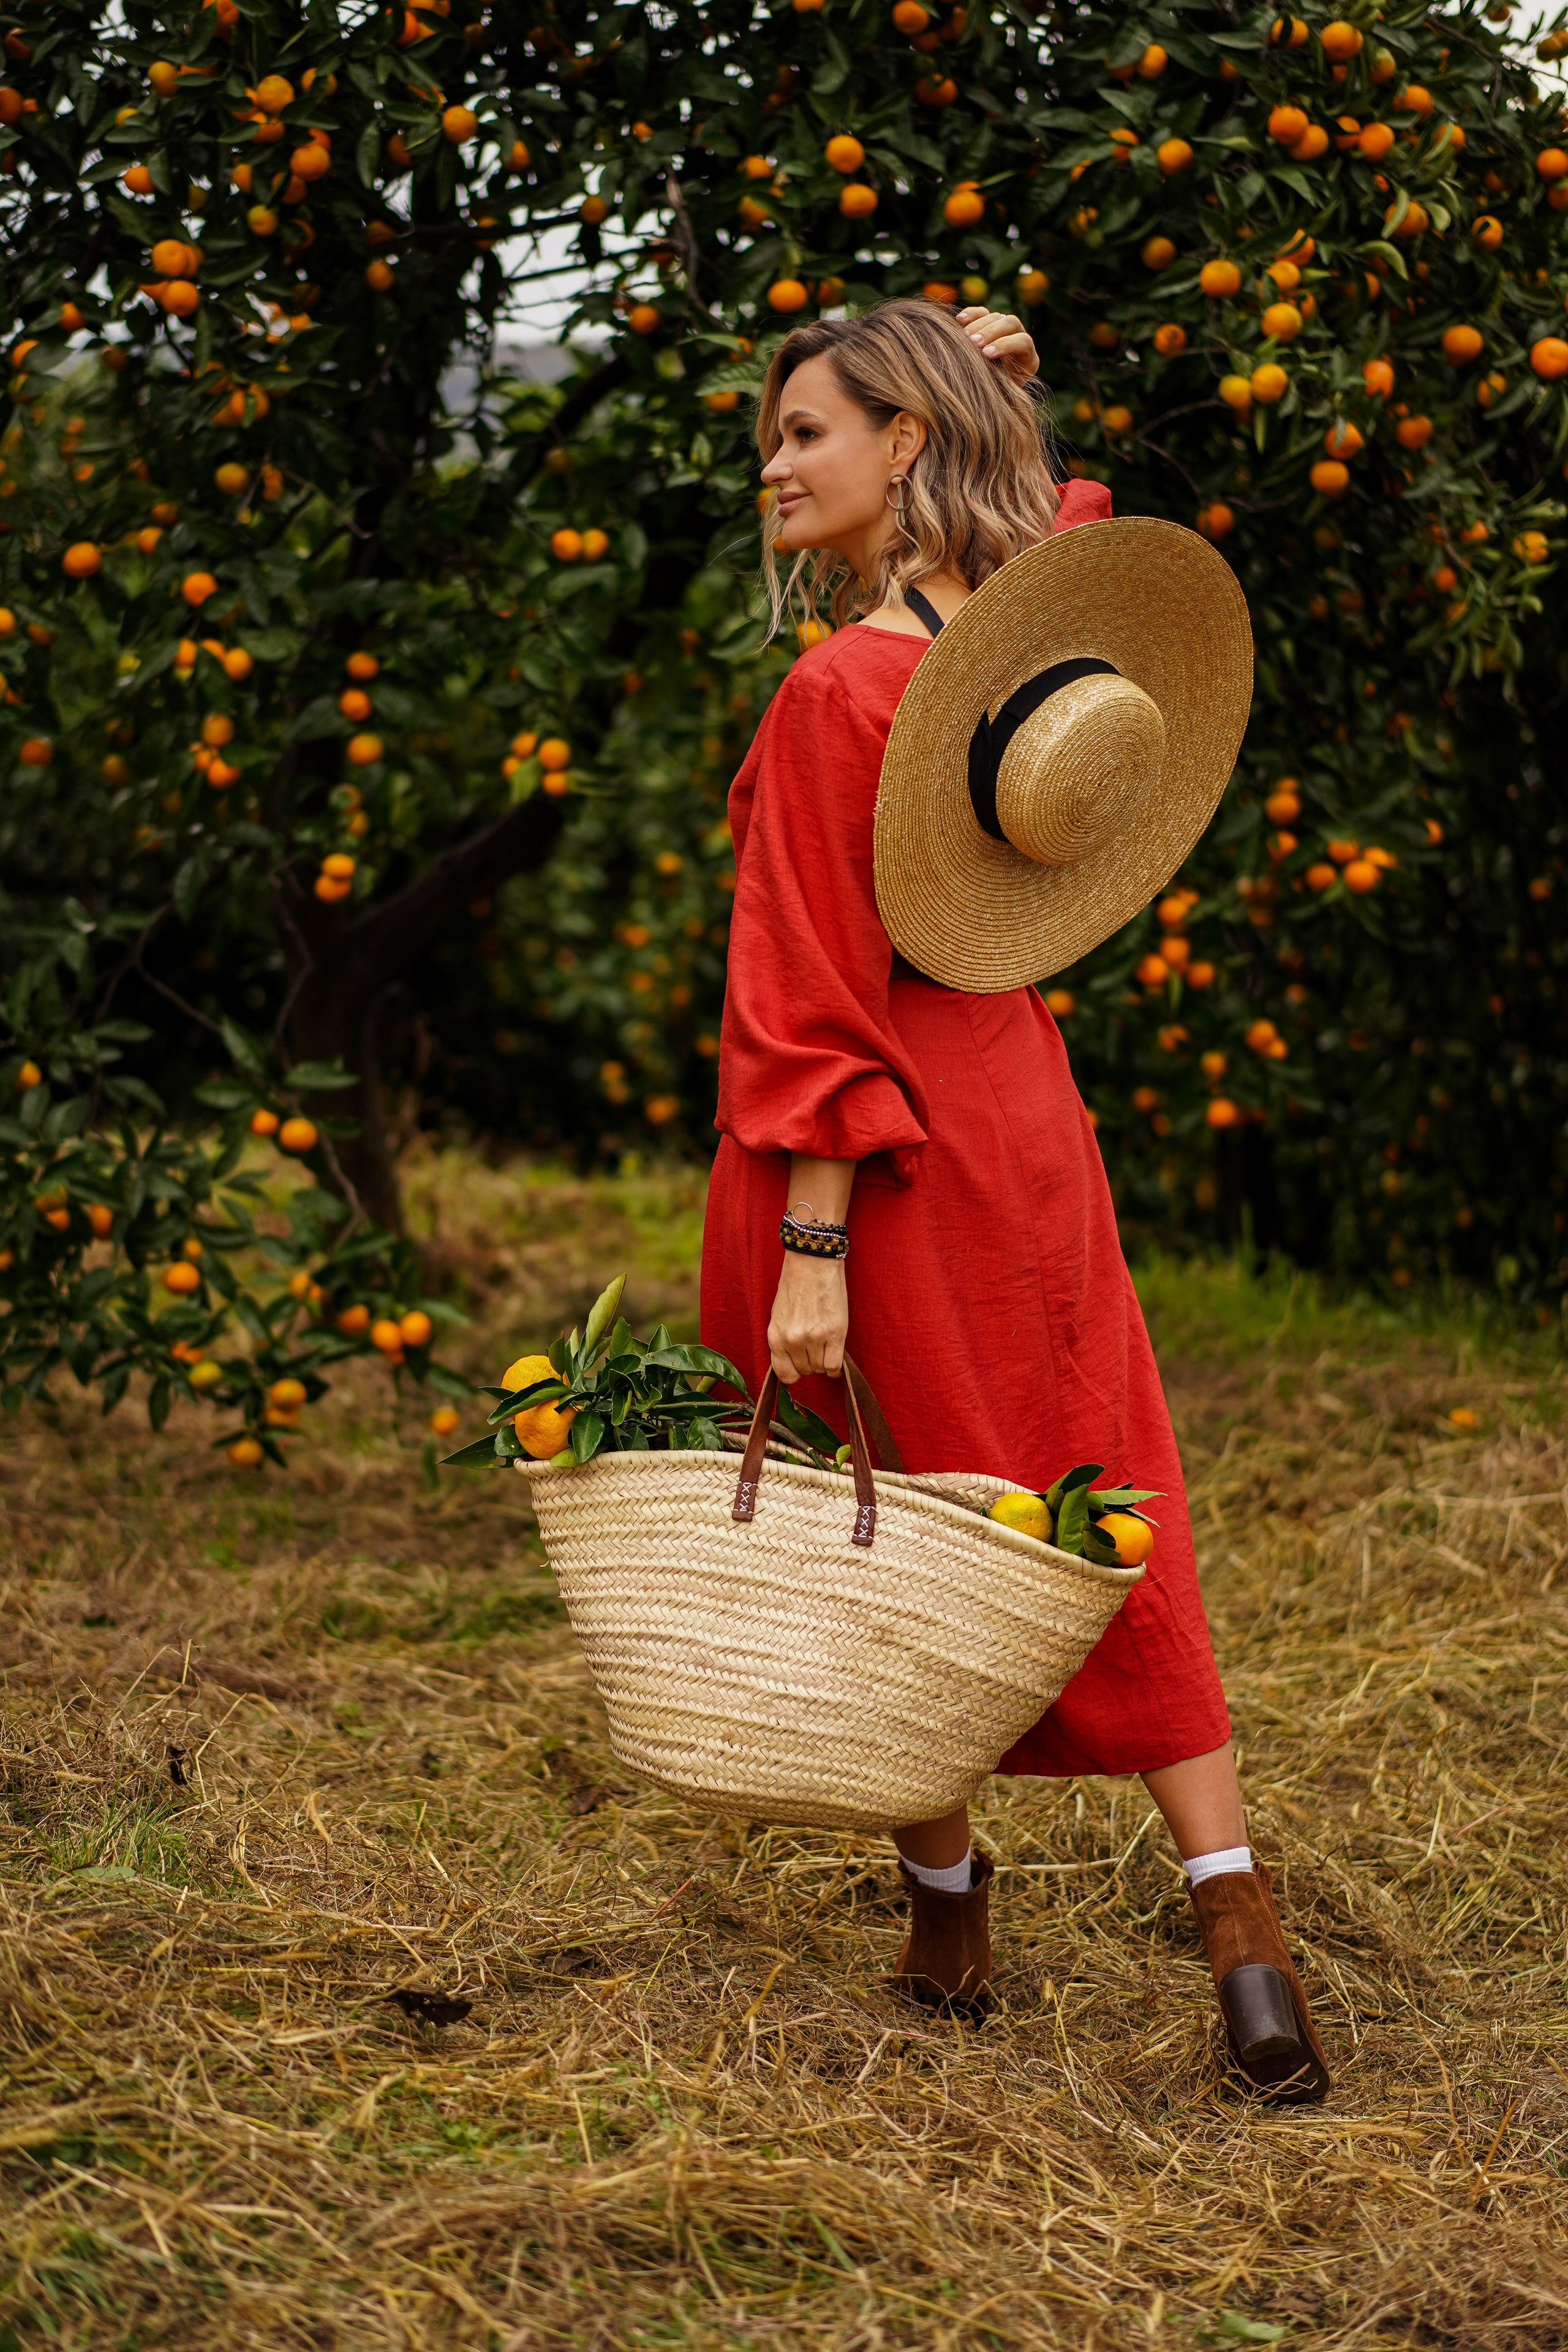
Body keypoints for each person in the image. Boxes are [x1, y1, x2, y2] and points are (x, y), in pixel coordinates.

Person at [699, 298, 1330, 2104]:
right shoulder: (1019, 657)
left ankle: (948, 1903)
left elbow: (817, 985)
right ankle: (1240, 1930)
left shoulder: (839, 690)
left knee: (898, 1515)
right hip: (1022, 1126)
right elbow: (1061, 526)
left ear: (900, 446)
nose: (774, 466)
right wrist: (988, 403)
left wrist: (811, 1243)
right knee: (1090, 1476)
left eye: (808, 431)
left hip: (876, 1157)